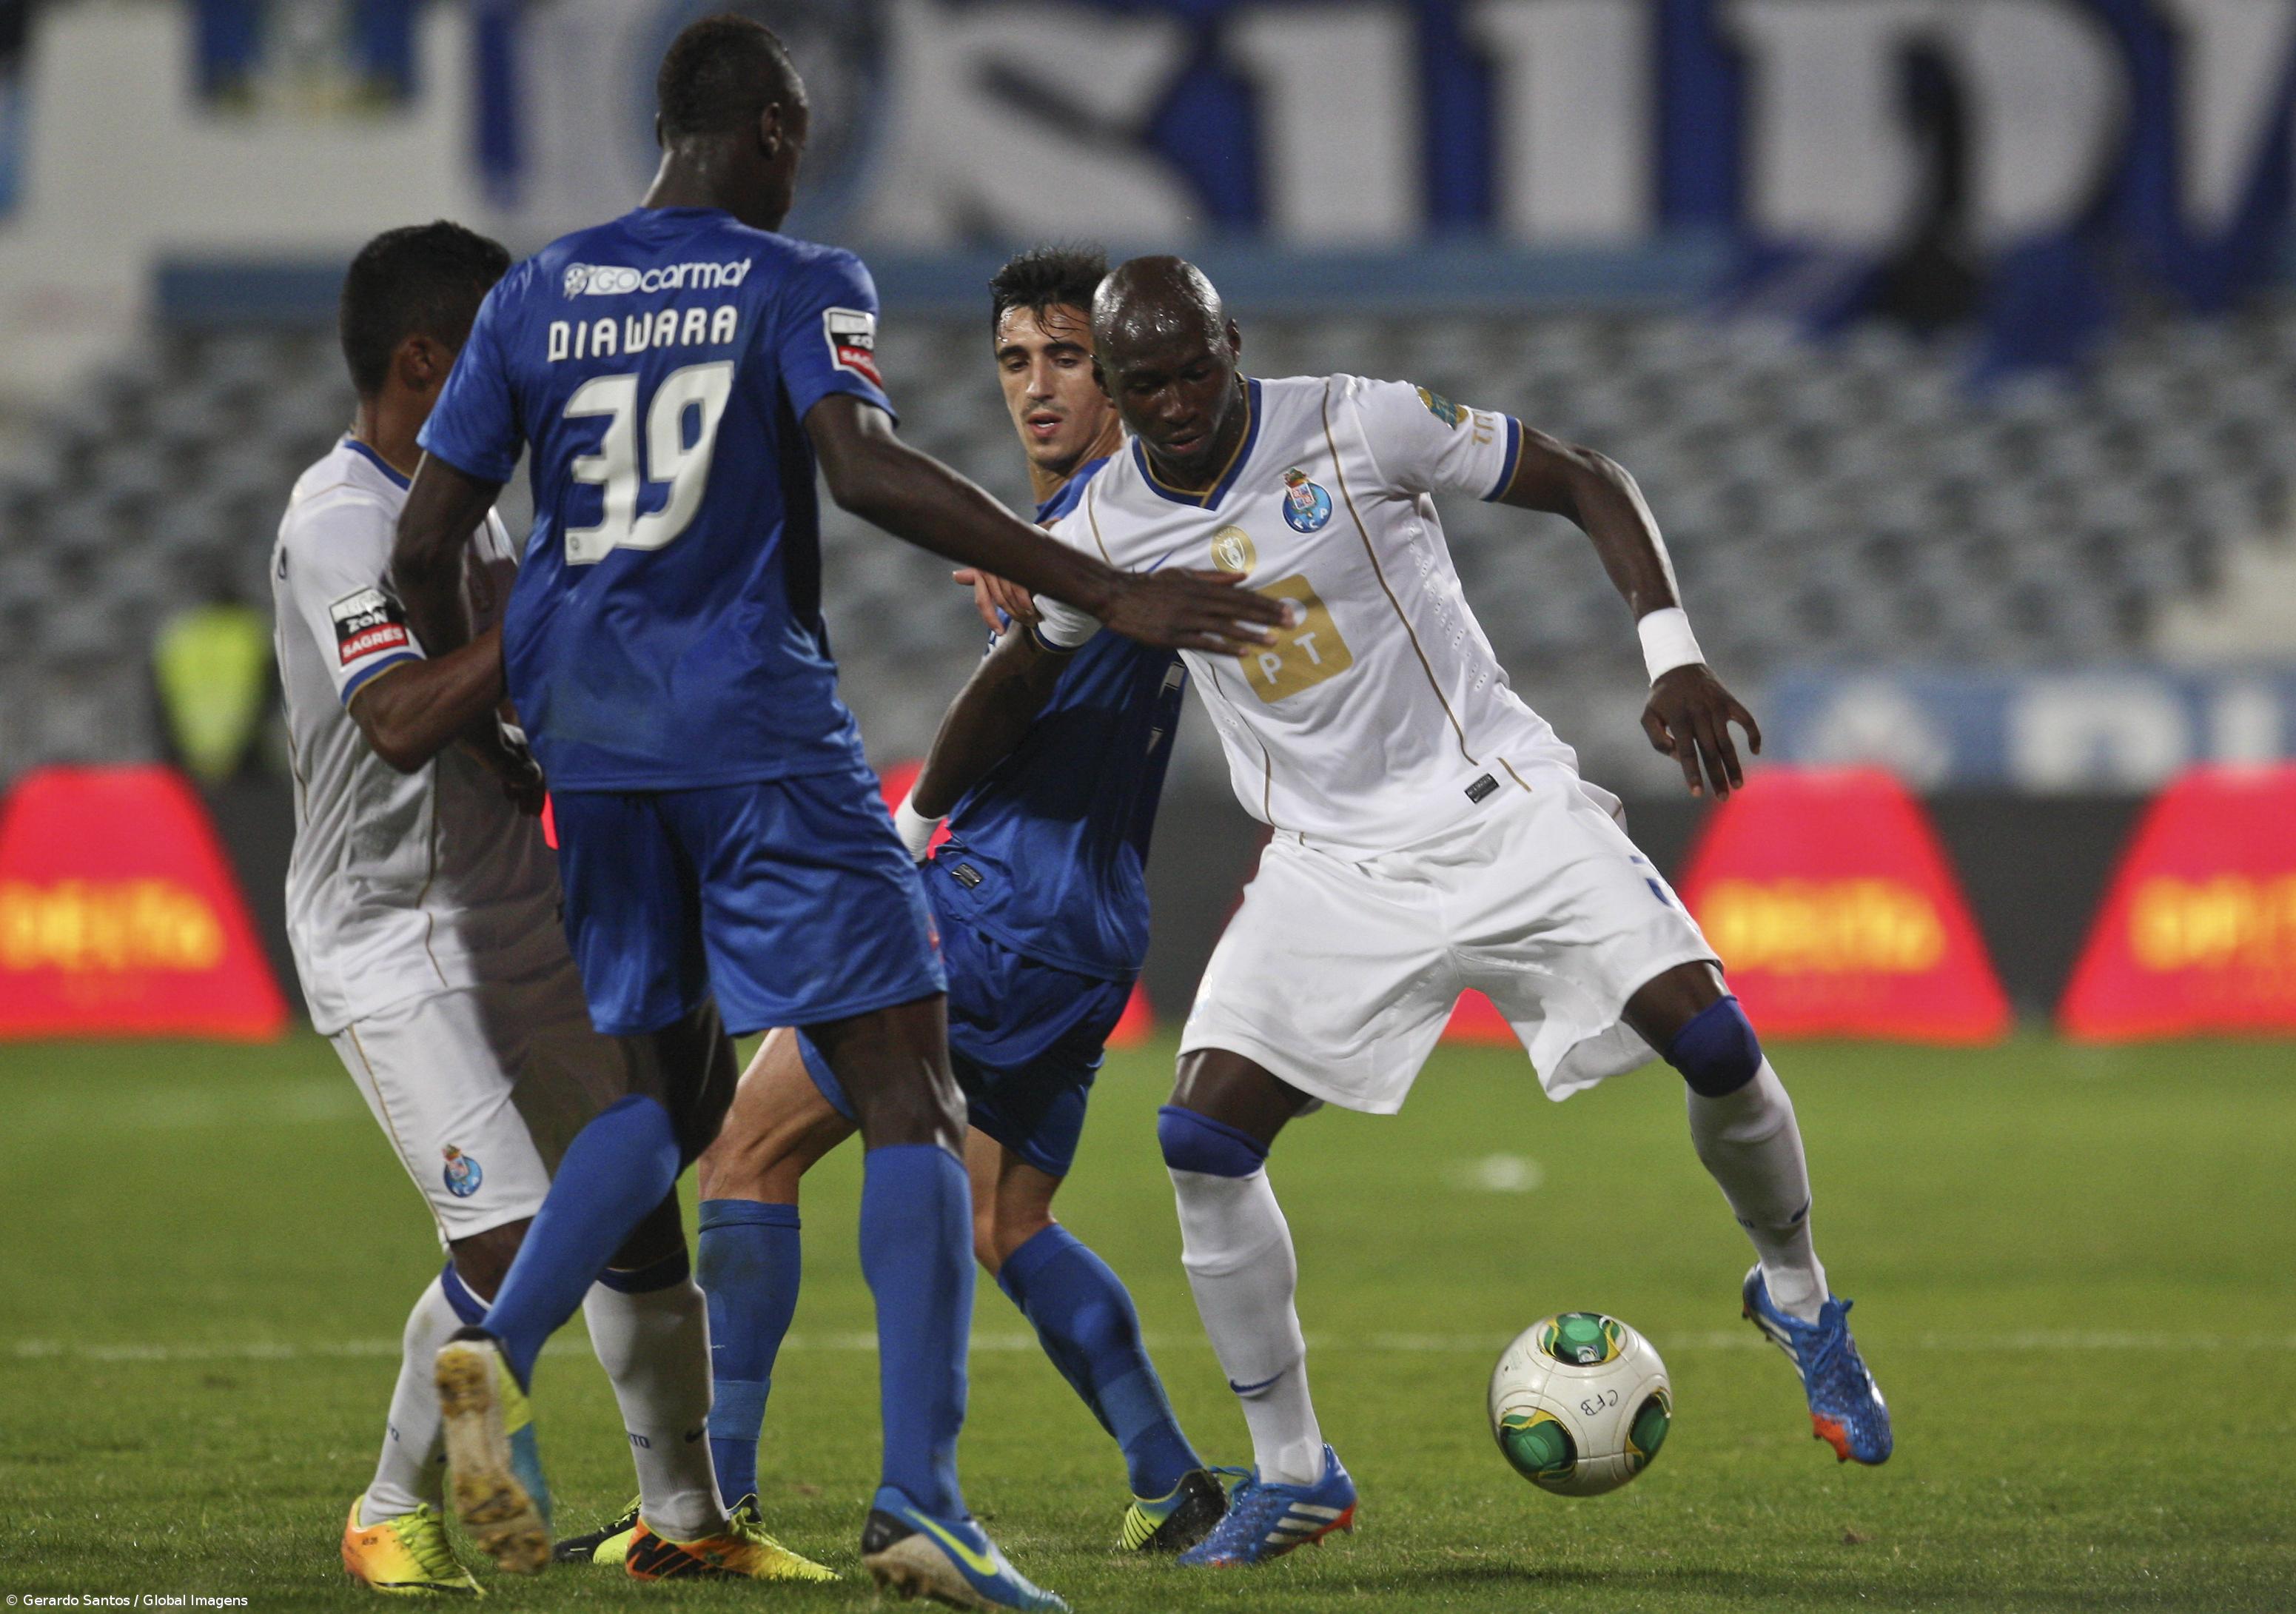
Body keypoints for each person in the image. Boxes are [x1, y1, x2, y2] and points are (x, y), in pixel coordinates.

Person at [389, 19, 1280, 1608]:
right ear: (782, 132)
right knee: (905, 1083)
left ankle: (493, 1350)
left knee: (663, 1102)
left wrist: (528, 703)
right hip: (749, 723)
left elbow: (425, 542)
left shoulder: (532, 293)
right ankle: (922, 1499)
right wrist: (1100, 588)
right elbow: (859, 470)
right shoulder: (793, 279)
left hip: (591, 746)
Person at [920, 255, 1894, 1570]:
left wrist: (1672, 657)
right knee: (1201, 1140)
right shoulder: (1099, 532)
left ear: (1234, 345)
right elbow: (1016, 677)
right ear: (1115, 383)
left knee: (1716, 1047)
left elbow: (1585, 477)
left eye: (1193, 371)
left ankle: (1796, 1300)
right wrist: (917, 823)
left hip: (1499, 808)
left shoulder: (1357, 419)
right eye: (1141, 382)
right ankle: (1296, 1473)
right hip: (1329, 864)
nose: (1171, 404)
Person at [555, 244, 1227, 1570]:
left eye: (1069, 360)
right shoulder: (1091, 531)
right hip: (1092, 933)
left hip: (990, 905)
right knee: (1003, 1218)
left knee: (743, 1153)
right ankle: (1171, 1478)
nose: (1038, 389)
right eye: (1015, 362)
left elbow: (1024, 674)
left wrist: (913, 821)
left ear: (1126, 376)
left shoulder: (1099, 527)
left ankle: (707, 1507)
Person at [275, 221, 825, 1593]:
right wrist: (555, 625)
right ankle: (389, 1509)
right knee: (519, 1242)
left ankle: (684, 1519)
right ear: (425, 359)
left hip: (521, 907)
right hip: (391, 933)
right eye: (502, 353)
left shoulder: (471, 507)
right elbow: (400, 714)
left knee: (636, 1213)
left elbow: (522, 669)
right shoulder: (338, 521)